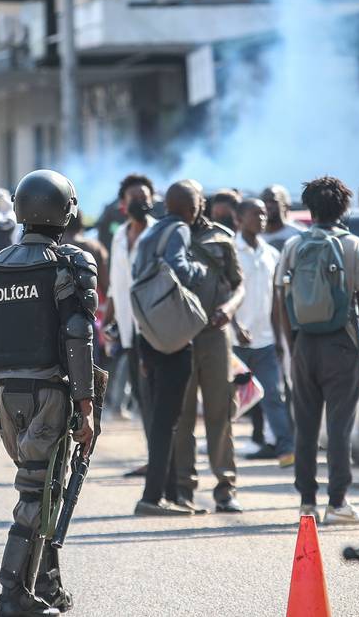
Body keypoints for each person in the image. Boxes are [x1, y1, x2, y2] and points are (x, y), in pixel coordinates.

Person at [0, 169, 97, 617]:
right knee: (36, 493)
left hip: (6, 396)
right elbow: (79, 336)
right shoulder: (68, 264)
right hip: (50, 394)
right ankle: (12, 596)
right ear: (64, 211)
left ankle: (47, 585)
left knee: (46, 491)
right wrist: (87, 405)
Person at [275, 176, 359, 524]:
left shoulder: (293, 246)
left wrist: (292, 347)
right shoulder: (355, 246)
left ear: (310, 208)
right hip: (343, 343)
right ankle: (338, 502)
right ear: (344, 208)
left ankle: (307, 502)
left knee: (304, 426)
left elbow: (281, 300)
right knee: (339, 426)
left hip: (304, 344)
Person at [131, 180, 209, 516]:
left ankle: (174, 494)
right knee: (167, 420)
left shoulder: (149, 233)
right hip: (173, 338)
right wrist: (199, 271)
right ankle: (152, 497)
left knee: (162, 417)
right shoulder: (179, 230)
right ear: (192, 209)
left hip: (148, 333)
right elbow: (179, 267)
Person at [172, 188, 245, 514]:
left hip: (215, 335)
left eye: (188, 205)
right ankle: (184, 488)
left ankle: (225, 488)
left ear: (200, 204)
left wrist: (229, 309)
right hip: (178, 336)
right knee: (182, 416)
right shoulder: (166, 236)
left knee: (220, 413)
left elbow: (239, 284)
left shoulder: (222, 238)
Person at [233, 198, 294, 468]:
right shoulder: (231, 251)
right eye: (255, 214)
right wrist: (234, 326)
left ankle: (286, 451)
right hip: (234, 342)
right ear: (239, 219)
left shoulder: (272, 254)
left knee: (273, 396)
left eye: (263, 214)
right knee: (226, 402)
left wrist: (281, 338)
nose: (261, 218)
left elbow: (277, 300)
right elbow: (224, 294)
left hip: (266, 340)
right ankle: (220, 456)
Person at [104, 174, 156, 468]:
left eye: (145, 197)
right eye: (135, 198)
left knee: (156, 397)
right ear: (123, 204)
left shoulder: (160, 234)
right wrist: (107, 323)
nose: (141, 202)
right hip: (129, 331)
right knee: (140, 396)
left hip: (157, 330)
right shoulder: (119, 236)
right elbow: (115, 282)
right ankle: (154, 457)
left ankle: (165, 461)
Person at [64, 214, 110, 301]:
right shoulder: (95, 247)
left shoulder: (55, 247)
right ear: (81, 225)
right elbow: (105, 283)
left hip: (62, 303)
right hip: (90, 302)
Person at [260, 184, 306, 251]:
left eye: (273, 202)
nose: (268, 206)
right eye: (264, 201)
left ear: (285, 206)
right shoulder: (254, 236)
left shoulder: (299, 235)